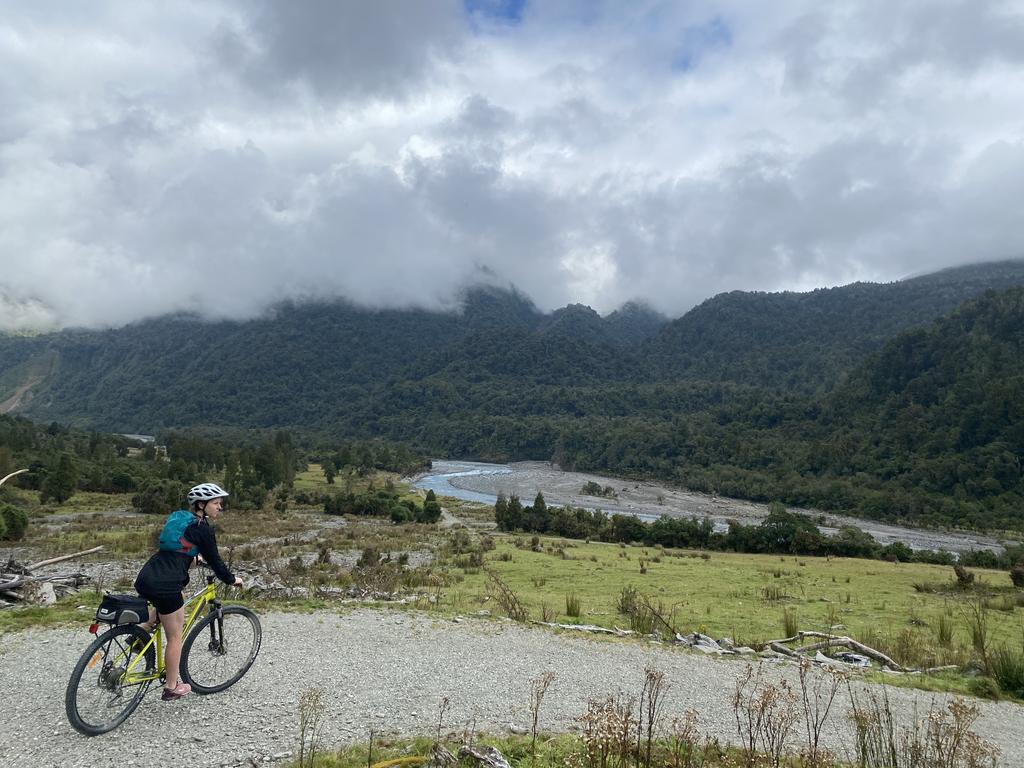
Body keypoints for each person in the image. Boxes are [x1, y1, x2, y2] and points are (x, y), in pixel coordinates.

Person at [134, 482, 243, 701]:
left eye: (220, 503)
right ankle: (172, 687)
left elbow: (176, 548)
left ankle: (139, 634)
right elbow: (217, 561)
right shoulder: (203, 528)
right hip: (166, 584)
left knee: (175, 601)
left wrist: (195, 560)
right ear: (201, 505)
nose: (219, 507)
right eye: (216, 503)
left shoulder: (179, 518)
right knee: (175, 636)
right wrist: (232, 580)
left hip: (148, 575)